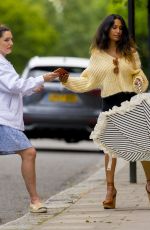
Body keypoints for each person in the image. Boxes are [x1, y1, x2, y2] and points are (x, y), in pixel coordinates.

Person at [57, 14, 150, 209]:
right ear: (106, 29)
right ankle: (110, 190)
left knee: (143, 145)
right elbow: (87, 81)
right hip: (110, 104)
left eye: (121, 28)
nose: (118, 31)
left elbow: (138, 73)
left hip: (132, 102)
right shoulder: (97, 55)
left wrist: (139, 81)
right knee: (110, 148)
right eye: (114, 27)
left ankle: (149, 184)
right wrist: (67, 80)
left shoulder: (129, 51)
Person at [0, 24, 59, 213]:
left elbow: (11, 90)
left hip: (4, 118)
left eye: (12, 39)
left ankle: (35, 200)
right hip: (2, 120)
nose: (11, 43)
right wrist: (42, 78)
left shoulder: (3, 62)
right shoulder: (0, 64)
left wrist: (33, 87)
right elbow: (15, 86)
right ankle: (35, 201)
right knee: (29, 153)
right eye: (6, 40)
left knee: (28, 153)